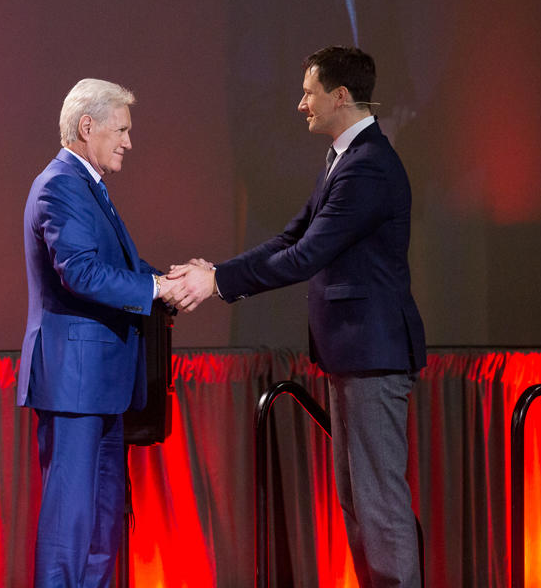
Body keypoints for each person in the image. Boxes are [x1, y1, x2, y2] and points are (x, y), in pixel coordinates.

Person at [168, 47, 426, 588]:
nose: (300, 103)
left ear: (340, 96)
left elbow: (308, 255)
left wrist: (218, 284)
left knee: (379, 508)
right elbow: (292, 237)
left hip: (373, 355)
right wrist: (218, 272)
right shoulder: (342, 159)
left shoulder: (369, 165)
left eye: (309, 92)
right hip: (351, 353)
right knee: (359, 504)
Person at [228, 0, 411, 343]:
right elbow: (255, 137)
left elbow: (398, 97)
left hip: (362, 294)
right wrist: (344, 189)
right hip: (285, 289)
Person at [17, 78, 180, 588]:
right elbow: (81, 273)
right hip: (75, 383)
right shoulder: (61, 184)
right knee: (72, 527)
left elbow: (118, 265)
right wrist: (155, 288)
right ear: (87, 127)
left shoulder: (88, 185)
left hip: (100, 386)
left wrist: (170, 282)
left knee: (103, 524)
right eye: (122, 130)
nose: (129, 142)